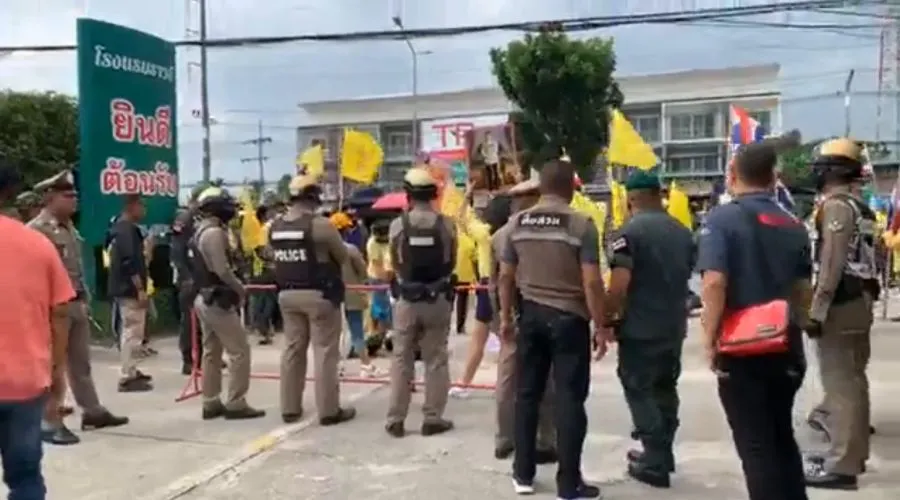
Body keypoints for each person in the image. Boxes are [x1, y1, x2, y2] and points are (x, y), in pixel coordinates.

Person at [696, 142, 810, 500]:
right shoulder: (793, 223)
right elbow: (803, 290)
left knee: (756, 447)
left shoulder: (722, 219)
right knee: (782, 438)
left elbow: (714, 282)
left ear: (732, 175)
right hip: (785, 345)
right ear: (774, 178)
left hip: (743, 348)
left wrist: (708, 339)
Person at [498, 160, 607, 499]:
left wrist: (505, 317)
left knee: (527, 395)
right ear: (571, 188)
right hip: (570, 319)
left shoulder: (516, 223)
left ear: (542, 187)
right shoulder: (581, 224)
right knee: (570, 400)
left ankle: (523, 474)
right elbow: (592, 281)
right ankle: (568, 483)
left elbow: (505, 276)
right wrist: (601, 324)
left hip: (530, 317)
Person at [605, 170, 694, 488]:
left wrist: (606, 317)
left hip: (640, 327)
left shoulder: (627, 233)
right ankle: (664, 452)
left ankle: (654, 461)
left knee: (639, 389)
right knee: (665, 387)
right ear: (660, 195)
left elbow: (620, 283)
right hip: (673, 325)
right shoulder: (682, 232)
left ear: (631, 199)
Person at [27, 171, 130, 444]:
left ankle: (92, 411)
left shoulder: (70, 227)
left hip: (75, 302)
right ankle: (50, 419)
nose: (74, 200)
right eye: (68, 196)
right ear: (50, 197)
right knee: (53, 366)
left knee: (80, 363)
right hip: (53, 308)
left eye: (75, 195)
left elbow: (75, 268)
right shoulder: (36, 230)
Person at [803, 138, 877, 490]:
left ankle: (842, 466)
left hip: (841, 304)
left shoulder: (836, 207)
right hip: (859, 300)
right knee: (854, 383)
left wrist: (816, 311)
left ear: (832, 170)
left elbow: (831, 264)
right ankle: (849, 455)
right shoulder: (860, 207)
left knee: (841, 386)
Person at [0, 159, 74, 499]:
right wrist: (56, 370)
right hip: (26, 382)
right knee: (26, 477)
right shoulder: (37, 244)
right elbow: (60, 311)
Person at [270, 175, 356, 425]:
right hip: (319, 295)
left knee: (292, 350)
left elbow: (273, 256)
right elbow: (341, 257)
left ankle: (290, 408)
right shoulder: (321, 225)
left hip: (287, 294)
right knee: (325, 352)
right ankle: (329, 410)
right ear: (313, 197)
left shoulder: (275, 226)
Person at [384, 167, 457, 438]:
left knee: (401, 359)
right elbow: (451, 260)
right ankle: (432, 418)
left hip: (407, 299)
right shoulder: (447, 225)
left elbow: (394, 261)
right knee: (435, 359)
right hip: (437, 298)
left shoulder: (398, 225)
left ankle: (396, 419)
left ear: (408, 195)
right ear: (434, 194)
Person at [489, 178, 557, 463]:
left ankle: (505, 438)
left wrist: (500, 319)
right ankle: (544, 439)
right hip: (544, 312)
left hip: (513, 313)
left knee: (508, 378)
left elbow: (494, 283)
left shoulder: (499, 235)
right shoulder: (551, 229)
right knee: (545, 377)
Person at [190, 187, 265, 421]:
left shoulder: (201, 230)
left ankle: (211, 401)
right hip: (218, 299)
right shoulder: (214, 233)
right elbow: (222, 270)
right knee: (239, 351)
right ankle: (236, 402)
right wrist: (240, 288)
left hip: (206, 297)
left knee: (211, 352)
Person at [106, 194, 155, 393]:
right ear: (132, 206)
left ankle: (132, 369)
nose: (144, 211)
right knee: (132, 332)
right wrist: (140, 289)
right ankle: (128, 375)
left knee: (133, 331)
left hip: (124, 287)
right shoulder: (126, 231)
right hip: (129, 288)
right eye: (142, 206)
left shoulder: (119, 229)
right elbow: (129, 262)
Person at [330, 212, 384, 377]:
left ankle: (335, 366)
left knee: (334, 334)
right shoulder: (350, 250)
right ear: (345, 230)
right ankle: (365, 366)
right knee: (357, 332)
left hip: (331, 297)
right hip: (352, 295)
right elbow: (363, 271)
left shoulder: (324, 252)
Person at [172, 195, 203, 374]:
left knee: (203, 321)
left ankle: (203, 358)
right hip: (188, 279)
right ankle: (189, 359)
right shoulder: (185, 219)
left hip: (201, 277)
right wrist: (185, 277)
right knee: (190, 322)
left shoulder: (202, 219)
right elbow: (177, 251)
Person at [366, 219, 393, 348]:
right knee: (379, 306)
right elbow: (377, 264)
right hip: (377, 278)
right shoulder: (372, 243)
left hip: (391, 277)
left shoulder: (391, 241)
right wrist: (386, 279)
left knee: (390, 306)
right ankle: (376, 334)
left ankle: (388, 333)